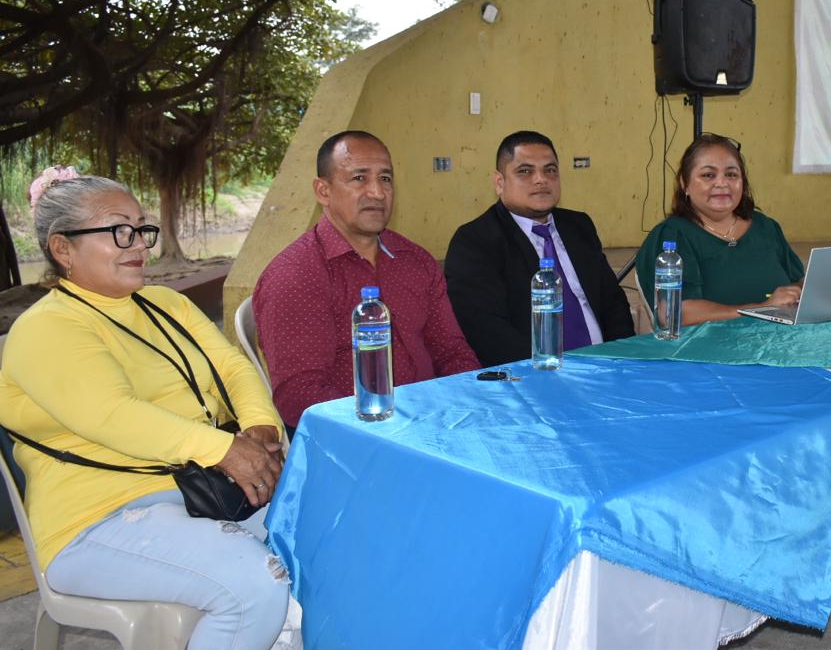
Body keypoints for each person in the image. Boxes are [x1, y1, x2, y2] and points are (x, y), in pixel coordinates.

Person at [0, 175, 291, 649]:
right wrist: (225, 450)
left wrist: (260, 429)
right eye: (119, 230)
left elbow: (233, 367)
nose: (138, 244)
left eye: (141, 228)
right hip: (98, 519)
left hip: (202, 489)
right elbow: (113, 414)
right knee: (254, 586)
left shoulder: (166, 304)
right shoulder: (46, 328)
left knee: (324, 541)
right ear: (63, 248)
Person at [253, 130, 480, 428]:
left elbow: (452, 352)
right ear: (323, 191)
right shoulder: (297, 275)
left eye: (385, 178)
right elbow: (301, 395)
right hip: (357, 436)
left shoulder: (415, 260)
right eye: (359, 178)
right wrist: (389, 425)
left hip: (438, 420)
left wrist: (470, 403)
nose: (377, 192)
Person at [445, 130, 635, 366]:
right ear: (499, 182)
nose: (541, 179)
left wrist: (621, 357)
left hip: (608, 366)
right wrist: (550, 373)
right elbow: (487, 331)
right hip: (535, 375)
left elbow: (613, 303)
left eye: (550, 170)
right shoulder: (475, 241)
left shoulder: (579, 226)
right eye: (525, 171)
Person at [637, 133, 805, 326]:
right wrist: (762, 309)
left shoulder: (765, 227)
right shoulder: (673, 235)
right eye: (708, 175)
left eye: (731, 174)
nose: (722, 183)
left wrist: (798, 294)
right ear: (684, 183)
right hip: (711, 343)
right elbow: (675, 314)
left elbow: (799, 282)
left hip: (783, 339)